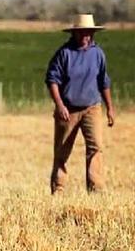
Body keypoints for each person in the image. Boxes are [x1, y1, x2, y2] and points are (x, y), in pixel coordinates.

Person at [45, 13, 116, 194]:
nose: (86, 36)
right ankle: (58, 188)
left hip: (92, 107)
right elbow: (52, 80)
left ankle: (96, 189)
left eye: (89, 32)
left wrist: (110, 108)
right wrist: (60, 105)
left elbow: (104, 81)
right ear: (74, 33)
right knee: (62, 152)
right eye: (82, 32)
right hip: (68, 109)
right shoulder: (64, 54)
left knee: (96, 147)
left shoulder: (98, 53)